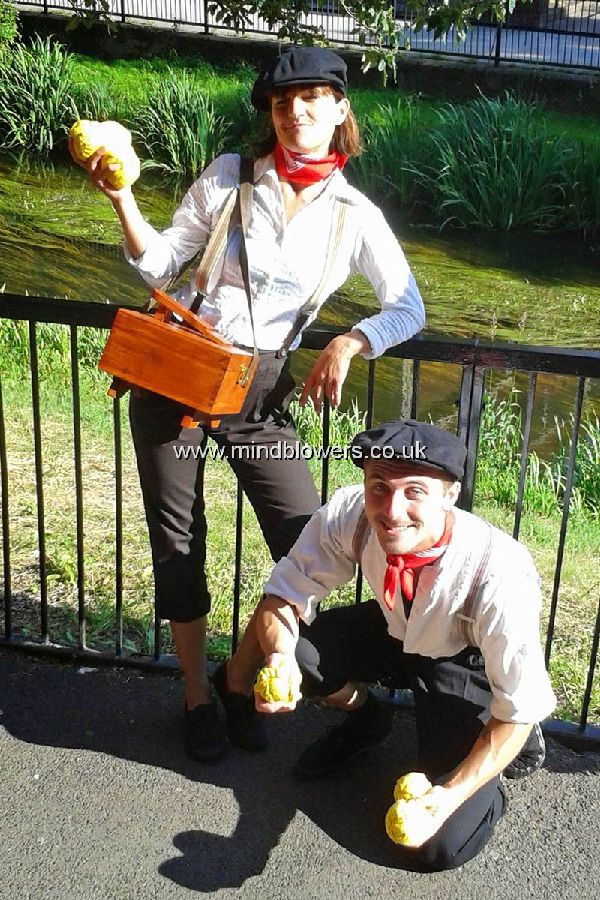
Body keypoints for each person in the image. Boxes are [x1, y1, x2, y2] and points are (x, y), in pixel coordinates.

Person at [68, 47, 425, 762]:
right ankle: (200, 695)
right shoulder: (232, 176)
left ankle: (258, 676)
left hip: (258, 395)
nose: (297, 111)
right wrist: (120, 198)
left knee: (305, 536)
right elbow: (160, 262)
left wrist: (352, 341)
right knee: (179, 540)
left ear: (340, 110)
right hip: (178, 379)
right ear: (270, 111)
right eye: (284, 100)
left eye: (314, 98)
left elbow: (408, 305)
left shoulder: (354, 214)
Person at [222, 420, 556, 871]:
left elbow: (517, 711)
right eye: (379, 485)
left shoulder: (500, 576)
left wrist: (444, 799)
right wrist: (279, 655)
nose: (392, 509)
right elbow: (284, 592)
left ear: (450, 495)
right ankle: (367, 718)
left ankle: (488, 772)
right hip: (394, 627)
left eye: (414, 491)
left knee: (438, 846)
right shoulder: (352, 513)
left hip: (462, 658)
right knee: (297, 650)